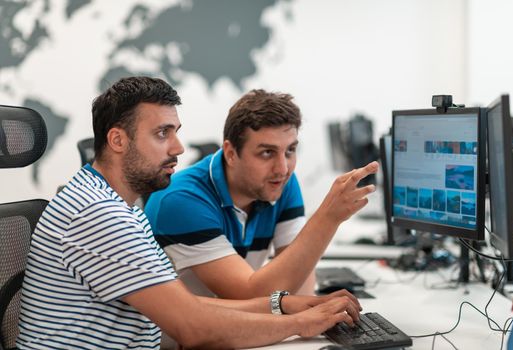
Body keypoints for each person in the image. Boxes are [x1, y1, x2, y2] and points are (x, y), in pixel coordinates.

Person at [16, 77, 361, 350]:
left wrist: (283, 305)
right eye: (162, 133)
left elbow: (189, 306)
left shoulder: (116, 206)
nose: (179, 148)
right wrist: (300, 324)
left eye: (175, 132)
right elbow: (194, 327)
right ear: (118, 140)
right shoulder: (99, 215)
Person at [145, 89, 379, 299]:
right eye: (267, 153)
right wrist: (328, 218)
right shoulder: (179, 199)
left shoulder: (281, 183)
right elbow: (249, 293)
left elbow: (300, 290)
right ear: (231, 153)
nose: (283, 168)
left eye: (290, 150)